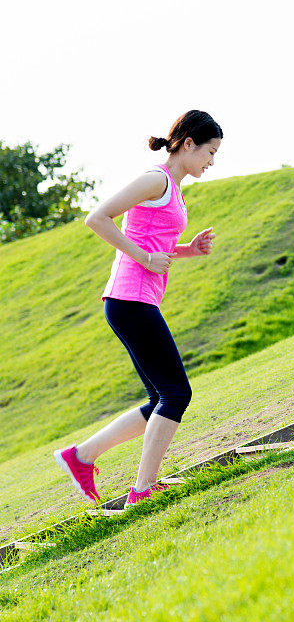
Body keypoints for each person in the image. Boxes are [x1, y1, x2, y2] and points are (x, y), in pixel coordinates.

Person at [53, 109, 222, 509]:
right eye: (210, 152)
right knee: (176, 393)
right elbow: (98, 218)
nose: (212, 162)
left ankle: (81, 457)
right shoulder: (155, 179)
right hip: (129, 299)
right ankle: (142, 489)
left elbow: (153, 239)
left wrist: (187, 250)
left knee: (160, 398)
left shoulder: (175, 189)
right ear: (187, 144)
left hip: (137, 300)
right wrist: (144, 259)